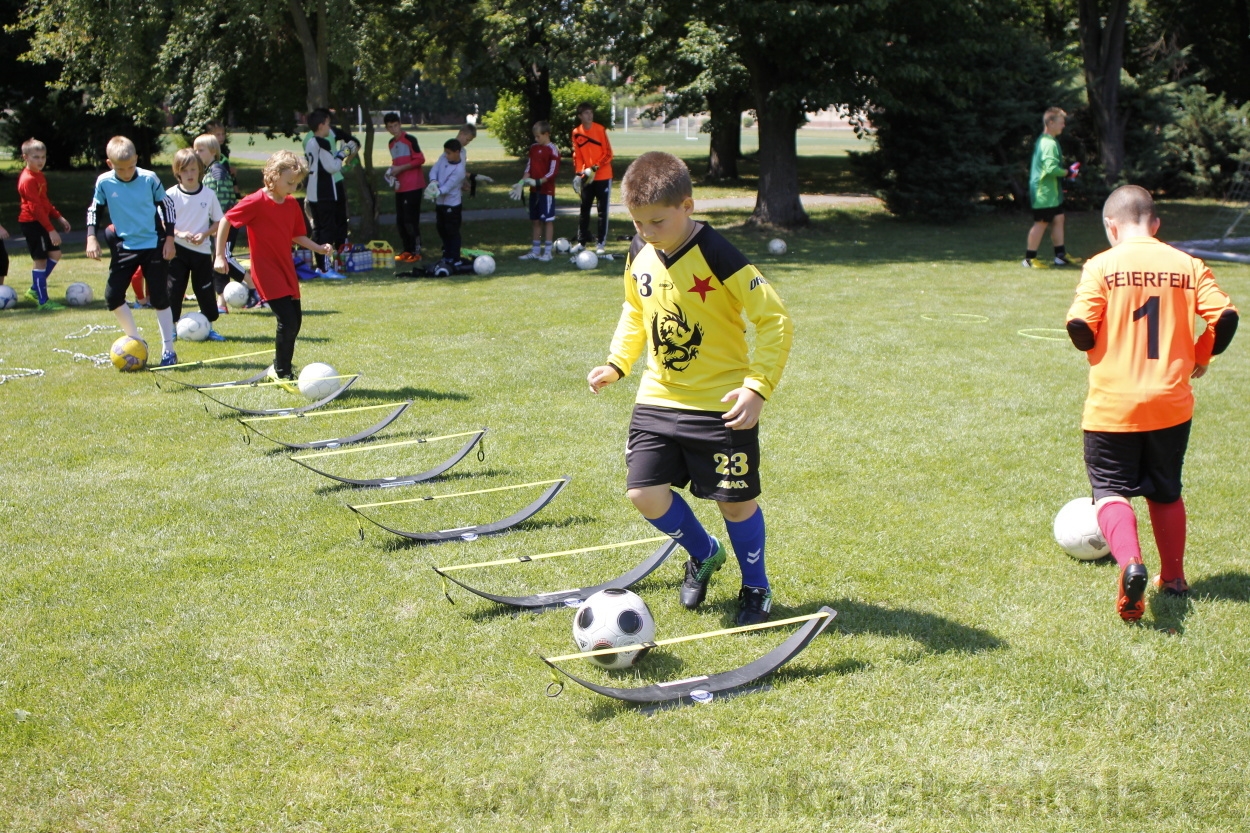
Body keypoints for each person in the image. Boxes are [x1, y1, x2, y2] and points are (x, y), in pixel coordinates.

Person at [586, 151, 793, 625]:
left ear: (688, 206)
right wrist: (617, 363)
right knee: (645, 493)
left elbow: (775, 319)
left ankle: (756, 586)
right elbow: (635, 309)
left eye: (657, 221)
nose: (646, 231)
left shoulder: (718, 253)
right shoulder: (638, 249)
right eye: (637, 222)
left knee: (735, 502)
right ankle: (704, 552)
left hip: (721, 404)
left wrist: (757, 388)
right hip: (658, 397)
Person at [1066, 184, 1238, 622]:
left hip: (1113, 404)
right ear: (1156, 224)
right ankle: (1175, 578)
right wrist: (1201, 355)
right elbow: (1226, 317)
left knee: (1109, 491)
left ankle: (1130, 564)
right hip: (1170, 401)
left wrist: (1097, 346)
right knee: (1165, 490)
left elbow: (1079, 326)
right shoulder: (1189, 265)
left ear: (1111, 225)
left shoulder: (1100, 266)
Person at [213, 150, 333, 386]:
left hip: (286, 268)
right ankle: (282, 372)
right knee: (287, 320)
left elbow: (297, 235)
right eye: (290, 182)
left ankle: (281, 369)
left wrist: (318, 249)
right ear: (273, 176)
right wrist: (219, 255)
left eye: (297, 183)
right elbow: (227, 220)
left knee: (295, 321)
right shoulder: (256, 201)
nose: (293, 187)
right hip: (266, 270)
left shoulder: (290, 203)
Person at [85, 135, 179, 366]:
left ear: (136, 159)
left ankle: (169, 350)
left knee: (159, 297)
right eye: (120, 169)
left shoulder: (149, 179)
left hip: (154, 244)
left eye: (130, 167)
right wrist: (90, 237)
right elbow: (94, 210)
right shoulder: (104, 182)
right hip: (124, 245)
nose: (127, 173)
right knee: (112, 296)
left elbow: (168, 206)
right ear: (110, 164)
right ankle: (136, 341)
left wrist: (169, 239)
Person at [166, 148, 225, 339]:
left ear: (200, 170)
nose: (189, 174)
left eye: (193, 169)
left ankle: (208, 326)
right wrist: (179, 233)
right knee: (174, 290)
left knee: (205, 289)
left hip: (201, 251)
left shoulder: (208, 195)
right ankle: (171, 328)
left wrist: (205, 233)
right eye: (185, 171)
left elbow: (219, 222)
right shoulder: (171, 195)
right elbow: (162, 224)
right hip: (177, 251)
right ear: (177, 173)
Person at [17, 138, 72, 310]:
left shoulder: (39, 176)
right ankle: (43, 301)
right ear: (25, 157)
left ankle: (35, 289)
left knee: (55, 254)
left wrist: (59, 217)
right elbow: (35, 208)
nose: (40, 161)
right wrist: (50, 230)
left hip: (42, 221)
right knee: (40, 260)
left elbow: (44, 202)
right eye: (36, 157)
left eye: (43, 157)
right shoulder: (27, 180)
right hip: (32, 223)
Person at [1024, 107, 1077, 268]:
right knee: (1041, 223)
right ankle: (1029, 259)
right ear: (1051, 123)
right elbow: (1051, 169)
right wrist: (1068, 173)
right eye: (1061, 122)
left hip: (1052, 193)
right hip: (1043, 194)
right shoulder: (1047, 143)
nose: (1063, 126)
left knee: (1059, 218)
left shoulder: (1049, 141)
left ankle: (1060, 256)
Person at [195, 133, 242, 311]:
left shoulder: (217, 172)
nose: (196, 154)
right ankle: (221, 302)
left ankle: (254, 286)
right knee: (219, 261)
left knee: (225, 259)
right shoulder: (210, 171)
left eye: (201, 150)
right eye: (195, 150)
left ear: (213, 151)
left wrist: (217, 224)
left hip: (225, 225)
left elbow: (223, 201)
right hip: (220, 225)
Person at [303, 110, 350, 278]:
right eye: (328, 124)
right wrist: (343, 153)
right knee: (327, 229)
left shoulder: (310, 142)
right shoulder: (321, 143)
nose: (330, 128)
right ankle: (325, 267)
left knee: (318, 228)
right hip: (324, 192)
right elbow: (332, 167)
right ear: (321, 125)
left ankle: (321, 265)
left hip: (314, 191)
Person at [571, 102, 614, 256]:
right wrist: (579, 174)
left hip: (603, 176)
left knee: (602, 211)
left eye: (591, 112)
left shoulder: (600, 130)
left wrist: (594, 168)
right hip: (587, 178)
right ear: (580, 116)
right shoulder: (576, 132)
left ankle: (601, 243)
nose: (590, 115)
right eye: (586, 113)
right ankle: (581, 242)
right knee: (584, 209)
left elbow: (608, 154)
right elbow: (578, 155)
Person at [383, 112, 426, 263]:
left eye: (395, 126)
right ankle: (407, 250)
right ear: (387, 128)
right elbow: (396, 162)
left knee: (410, 220)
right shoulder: (391, 144)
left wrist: (401, 168)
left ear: (400, 124)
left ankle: (416, 251)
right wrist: (391, 173)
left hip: (413, 186)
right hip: (400, 187)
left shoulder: (409, 140)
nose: (394, 129)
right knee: (400, 220)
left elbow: (420, 159)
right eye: (390, 127)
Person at [518, 120, 560, 262]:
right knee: (535, 220)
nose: (536, 139)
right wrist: (521, 182)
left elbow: (552, 172)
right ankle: (535, 250)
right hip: (534, 191)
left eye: (538, 136)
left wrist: (538, 181)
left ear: (546, 134)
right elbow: (529, 168)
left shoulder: (552, 149)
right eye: (535, 136)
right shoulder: (534, 148)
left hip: (546, 192)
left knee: (547, 220)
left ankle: (547, 251)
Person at [428, 138, 467, 270]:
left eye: (449, 153)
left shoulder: (459, 170)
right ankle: (446, 254)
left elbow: (448, 187)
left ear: (457, 152)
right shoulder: (444, 158)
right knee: (441, 228)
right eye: (445, 152)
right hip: (440, 202)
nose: (446, 155)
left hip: (452, 204)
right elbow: (434, 170)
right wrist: (433, 182)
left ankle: (455, 257)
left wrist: (436, 192)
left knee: (452, 230)